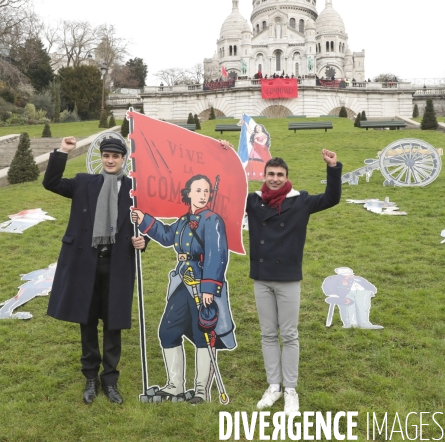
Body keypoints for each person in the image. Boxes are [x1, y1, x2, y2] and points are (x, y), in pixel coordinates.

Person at [219, 142, 342, 415]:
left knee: (288, 334)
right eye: (271, 174)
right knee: (267, 334)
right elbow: (226, 190)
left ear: (287, 178)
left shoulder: (301, 201)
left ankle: (290, 390)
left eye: (280, 175)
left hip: (288, 278)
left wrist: (332, 167)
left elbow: (332, 198)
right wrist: (225, 153)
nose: (275, 179)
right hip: (261, 277)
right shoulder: (252, 200)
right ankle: (274, 386)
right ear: (264, 176)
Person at [42, 136, 146, 405]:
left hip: (118, 265)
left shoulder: (135, 190)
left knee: (113, 324)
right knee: (86, 322)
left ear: (124, 159)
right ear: (101, 158)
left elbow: (143, 226)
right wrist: (64, 151)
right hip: (85, 264)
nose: (110, 160)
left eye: (115, 156)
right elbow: (50, 182)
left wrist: (142, 241)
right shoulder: (84, 183)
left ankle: (110, 380)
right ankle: (90, 377)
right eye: (106, 156)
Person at [131, 174, 235, 404]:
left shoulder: (213, 220)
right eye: (198, 190)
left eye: (206, 191)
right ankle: (175, 385)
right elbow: (167, 236)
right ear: (188, 193)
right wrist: (144, 220)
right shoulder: (183, 220)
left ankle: (200, 390)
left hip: (202, 286)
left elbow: (217, 254)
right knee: (167, 331)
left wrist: (209, 287)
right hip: (183, 282)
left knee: (203, 335)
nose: (203, 195)